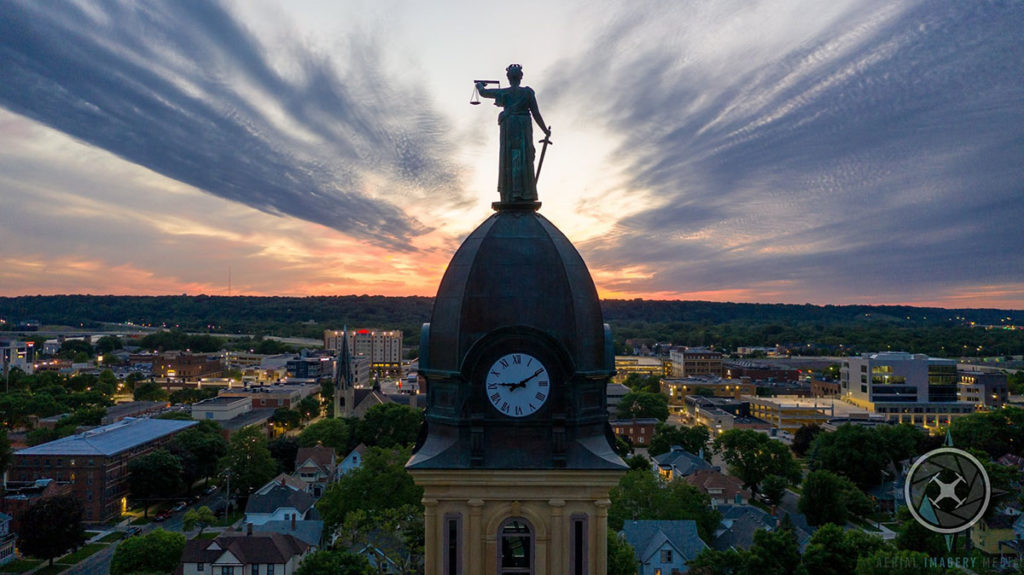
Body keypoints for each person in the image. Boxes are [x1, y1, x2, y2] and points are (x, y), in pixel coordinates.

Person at [476, 64, 550, 203]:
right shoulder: (528, 93)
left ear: (508, 78)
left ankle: (511, 192)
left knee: (510, 157)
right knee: (524, 156)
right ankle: (524, 192)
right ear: (521, 77)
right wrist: (545, 130)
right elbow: (536, 113)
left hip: (509, 126)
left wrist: (480, 85)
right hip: (522, 126)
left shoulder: (504, 92)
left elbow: (483, 93)